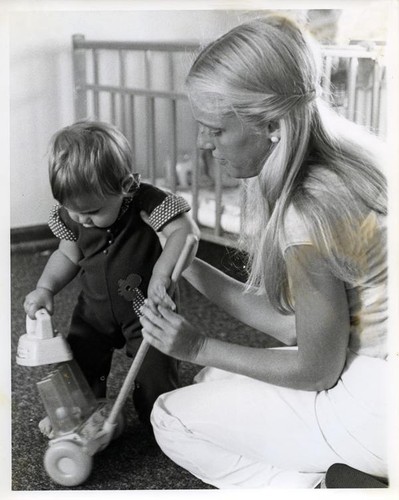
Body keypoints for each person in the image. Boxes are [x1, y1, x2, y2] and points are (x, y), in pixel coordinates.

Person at [139, 14, 388, 488]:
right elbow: (302, 328)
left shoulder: (307, 208)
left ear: (272, 124)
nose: (203, 143)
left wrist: (197, 345)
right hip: (375, 377)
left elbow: (316, 367)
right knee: (210, 381)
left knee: (171, 416)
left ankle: (320, 489)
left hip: (375, 404)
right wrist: (190, 265)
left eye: (214, 129)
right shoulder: (357, 157)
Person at [23, 120, 200, 424]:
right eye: (71, 209)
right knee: (80, 365)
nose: (81, 219)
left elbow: (184, 231)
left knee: (155, 379)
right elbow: (67, 253)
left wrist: (162, 273)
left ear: (126, 187)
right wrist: (45, 287)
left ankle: (156, 413)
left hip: (146, 311)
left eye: (91, 212)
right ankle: (86, 414)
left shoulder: (147, 199)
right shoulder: (73, 215)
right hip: (94, 310)